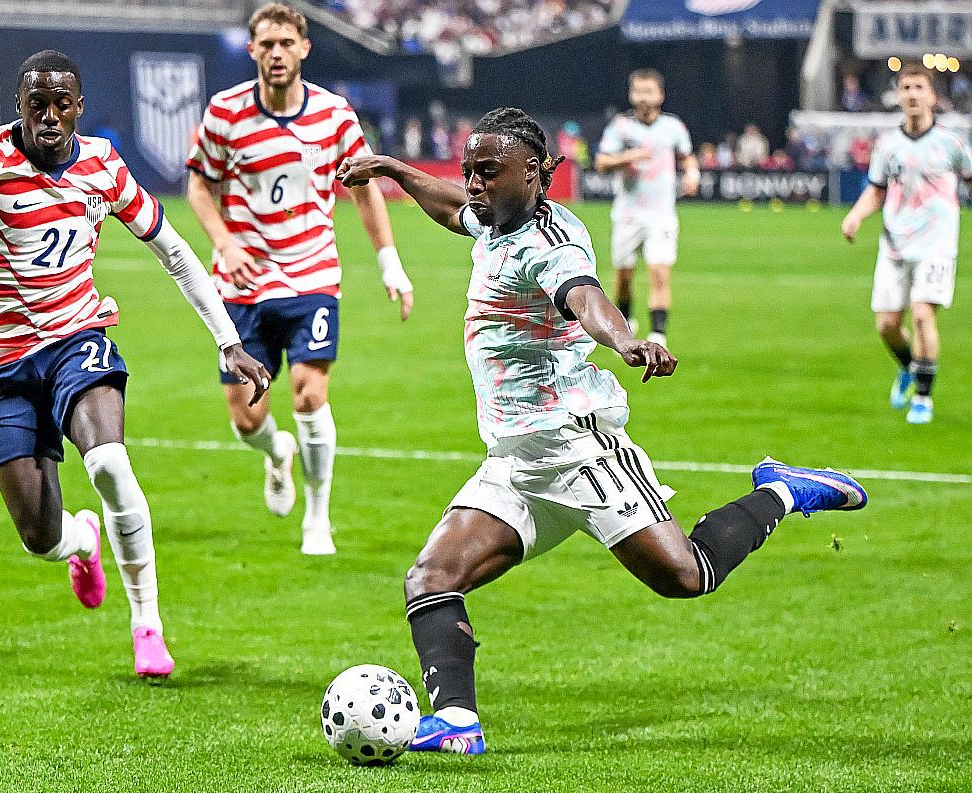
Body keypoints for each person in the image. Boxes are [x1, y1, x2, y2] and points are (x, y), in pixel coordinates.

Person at [338, 107, 868, 755]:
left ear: (535, 173)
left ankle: (782, 490)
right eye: (470, 170)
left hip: (578, 447)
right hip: (516, 460)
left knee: (686, 576)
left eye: (488, 172)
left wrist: (626, 340)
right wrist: (393, 169)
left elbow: (585, 297)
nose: (474, 184)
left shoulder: (548, 245)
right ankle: (456, 721)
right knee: (430, 579)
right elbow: (452, 208)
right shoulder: (497, 218)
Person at [0, 50, 270, 676]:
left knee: (109, 462)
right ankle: (81, 542)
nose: (50, 116)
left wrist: (227, 340)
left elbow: (175, 253)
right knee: (38, 537)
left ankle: (147, 625)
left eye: (61, 105)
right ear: (19, 106)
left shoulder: (102, 164)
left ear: (78, 108)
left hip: (76, 338)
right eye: (37, 104)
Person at [185, 2, 414, 556]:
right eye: (266, 44)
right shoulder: (225, 113)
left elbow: (365, 188)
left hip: (312, 274)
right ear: (252, 50)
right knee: (246, 418)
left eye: (286, 43)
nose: (277, 53)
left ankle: (318, 518)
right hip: (241, 285)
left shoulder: (334, 115)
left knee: (310, 396)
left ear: (304, 48)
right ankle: (275, 452)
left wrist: (389, 262)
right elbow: (198, 185)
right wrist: (225, 242)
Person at [841, 62, 971, 425]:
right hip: (895, 244)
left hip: (937, 244)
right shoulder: (888, 145)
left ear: (932, 96)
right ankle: (909, 367)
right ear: (898, 96)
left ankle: (923, 398)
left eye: (919, 88)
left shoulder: (951, 143)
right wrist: (855, 216)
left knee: (922, 313)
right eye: (906, 88)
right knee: (886, 325)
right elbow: (877, 190)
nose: (912, 94)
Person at [595, 68, 699, 345]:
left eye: (649, 91)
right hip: (627, 215)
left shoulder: (673, 127)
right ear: (631, 95)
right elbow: (602, 162)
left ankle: (658, 336)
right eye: (638, 91)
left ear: (660, 95)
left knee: (660, 273)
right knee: (623, 278)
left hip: (661, 215)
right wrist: (629, 156)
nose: (643, 97)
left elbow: (686, 157)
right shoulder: (621, 127)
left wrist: (692, 173)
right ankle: (626, 321)